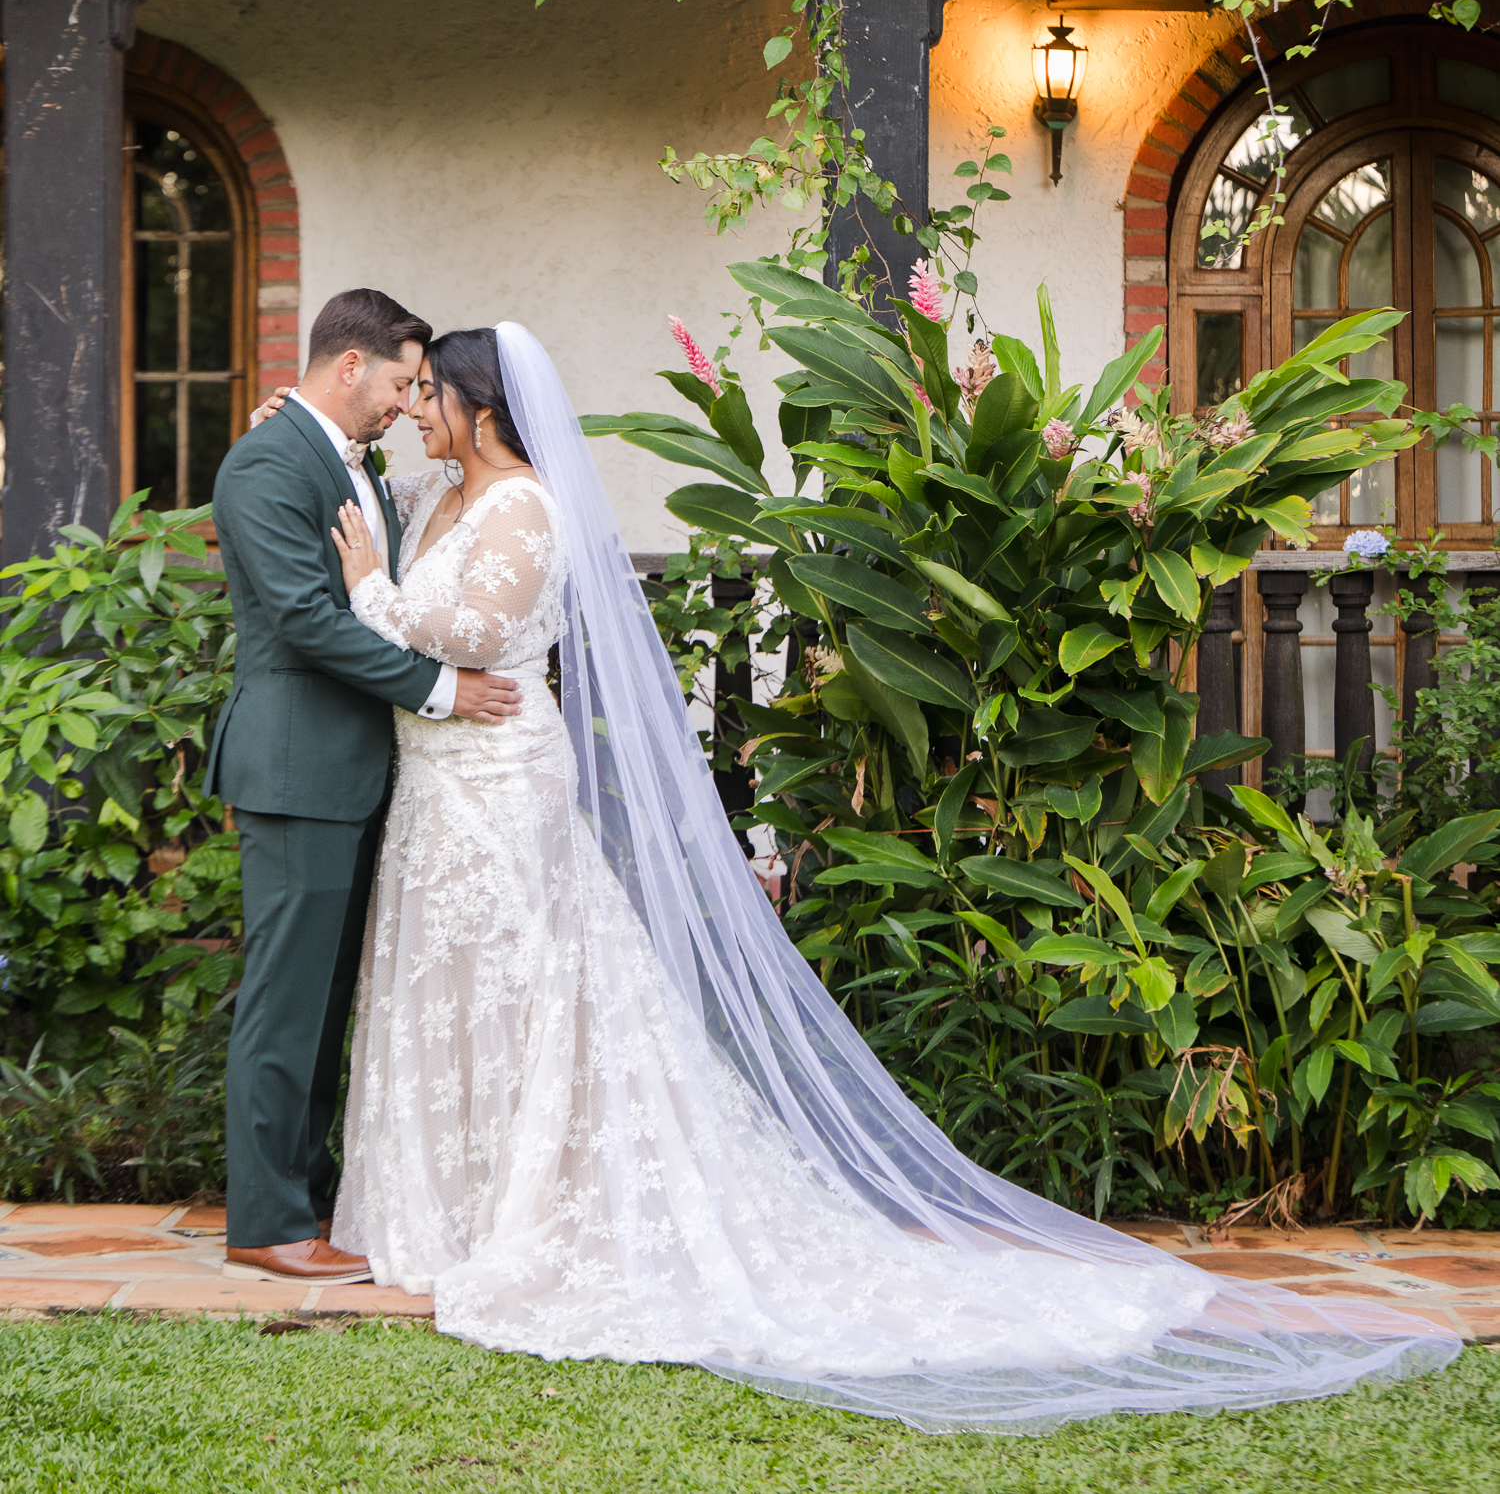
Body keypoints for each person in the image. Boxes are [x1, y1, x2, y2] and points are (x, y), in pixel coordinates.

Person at [250, 322, 1459, 1430]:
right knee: (441, 994)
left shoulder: (524, 510)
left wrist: (367, 588)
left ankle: (517, 1217)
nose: (413, 409)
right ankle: (438, 1212)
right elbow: (363, 490)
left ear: (481, 406)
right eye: (403, 393)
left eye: (430, 395)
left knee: (522, 996)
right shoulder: (436, 491)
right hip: (431, 791)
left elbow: (457, 630)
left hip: (498, 787)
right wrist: (288, 434)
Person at [209, 290, 521, 1284]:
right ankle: (266, 1221)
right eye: (397, 382)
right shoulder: (265, 462)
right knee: (285, 999)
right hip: (300, 769)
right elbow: (307, 619)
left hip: (354, 772)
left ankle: (304, 1197)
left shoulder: (352, 463)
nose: (403, 403)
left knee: (326, 998)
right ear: (349, 366)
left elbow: (381, 590)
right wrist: (443, 690)